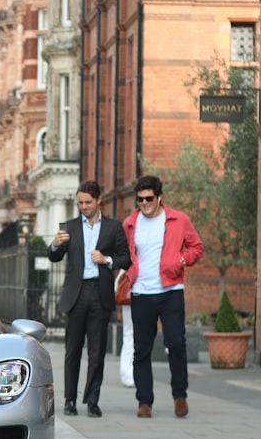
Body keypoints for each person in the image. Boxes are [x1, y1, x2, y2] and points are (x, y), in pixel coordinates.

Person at [122, 175, 203, 419]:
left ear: (159, 198)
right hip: (141, 293)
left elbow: (196, 247)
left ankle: (180, 396)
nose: (144, 203)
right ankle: (144, 402)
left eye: (148, 198)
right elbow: (124, 252)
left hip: (171, 291)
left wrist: (182, 259)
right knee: (142, 349)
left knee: (176, 343)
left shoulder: (179, 219)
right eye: (140, 199)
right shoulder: (130, 223)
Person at [48, 180, 131, 418]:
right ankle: (70, 400)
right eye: (80, 203)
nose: (83, 207)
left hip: (100, 293)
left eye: (87, 202)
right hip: (76, 293)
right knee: (72, 350)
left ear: (98, 201)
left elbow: (126, 258)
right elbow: (54, 257)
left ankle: (92, 401)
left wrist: (107, 260)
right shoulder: (70, 227)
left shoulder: (114, 228)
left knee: (97, 352)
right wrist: (54, 245)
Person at [115, 269, 135, 388]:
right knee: (129, 334)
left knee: (130, 334)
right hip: (131, 290)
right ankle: (127, 373)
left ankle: (129, 372)